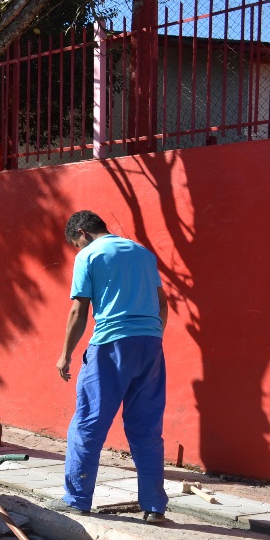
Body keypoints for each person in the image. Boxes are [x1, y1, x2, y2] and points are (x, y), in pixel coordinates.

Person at [55, 210, 169, 523]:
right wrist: (154, 335)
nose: (77, 250)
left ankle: (77, 500)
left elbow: (79, 311)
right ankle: (155, 507)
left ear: (81, 232)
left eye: (75, 244)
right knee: (146, 428)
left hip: (111, 344)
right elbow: (163, 304)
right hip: (150, 345)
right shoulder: (143, 253)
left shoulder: (88, 256)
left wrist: (65, 354)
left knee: (88, 423)